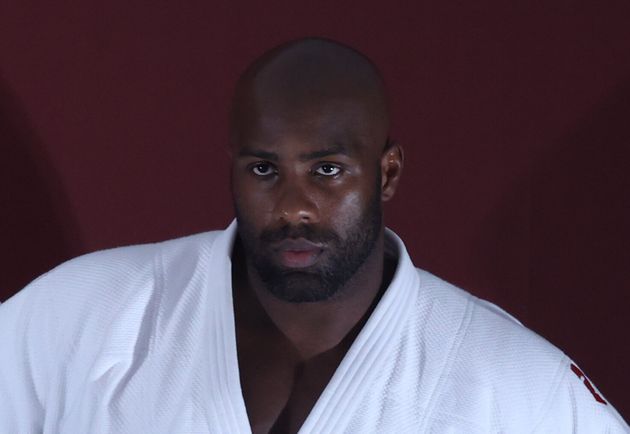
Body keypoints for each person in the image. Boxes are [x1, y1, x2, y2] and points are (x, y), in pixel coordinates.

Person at [0, 38, 627, 434]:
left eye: (327, 170)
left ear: (388, 173)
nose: (294, 207)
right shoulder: (84, 312)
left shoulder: (512, 383)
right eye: (264, 170)